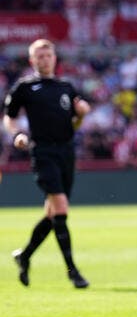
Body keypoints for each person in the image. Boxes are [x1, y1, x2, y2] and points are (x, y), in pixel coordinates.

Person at [3, 39, 90, 289]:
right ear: (32, 61)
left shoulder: (66, 87)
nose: (44, 59)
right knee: (61, 208)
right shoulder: (25, 87)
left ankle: (25, 255)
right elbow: (9, 118)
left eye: (48, 55)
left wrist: (81, 115)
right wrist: (17, 134)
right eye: (39, 56)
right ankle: (73, 272)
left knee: (54, 214)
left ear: (54, 58)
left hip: (66, 152)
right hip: (42, 152)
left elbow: (74, 125)